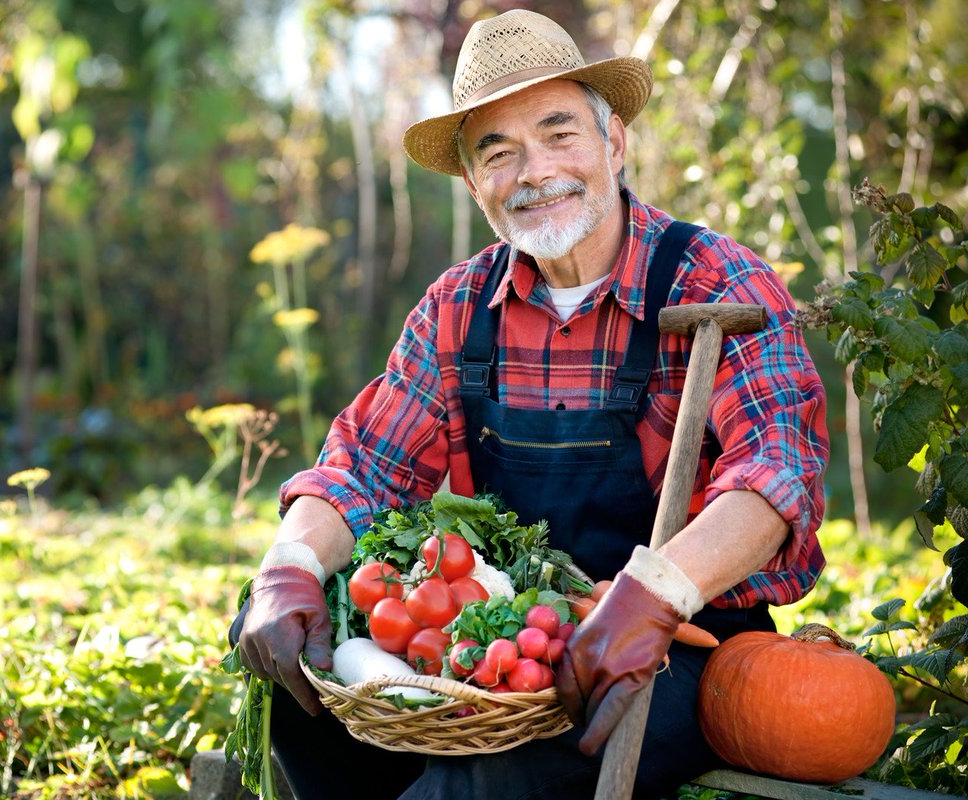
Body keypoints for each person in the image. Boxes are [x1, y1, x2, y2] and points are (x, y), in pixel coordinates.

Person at [232, 9, 829, 799]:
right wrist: (291, 566)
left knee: (488, 786)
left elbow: (776, 474)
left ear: (613, 142)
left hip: (679, 645)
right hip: (512, 642)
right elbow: (366, 467)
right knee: (288, 667)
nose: (534, 171)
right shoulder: (459, 306)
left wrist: (655, 596)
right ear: (475, 184)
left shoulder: (717, 284)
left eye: (558, 133)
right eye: (498, 151)